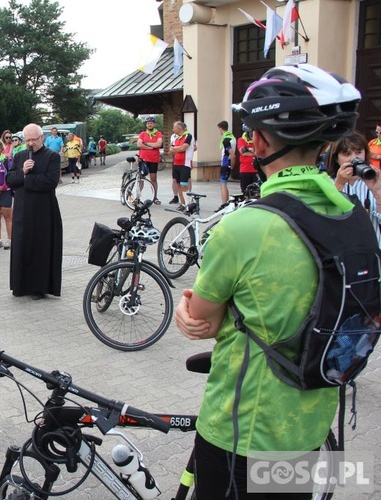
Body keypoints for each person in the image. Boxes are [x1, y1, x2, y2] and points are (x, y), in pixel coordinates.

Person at [174, 64, 362, 499]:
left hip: (240, 430)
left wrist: (191, 315)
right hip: (312, 421)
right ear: (325, 143)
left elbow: (200, 318)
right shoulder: (354, 220)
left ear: (257, 141)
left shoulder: (244, 228)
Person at [5, 123, 63, 300]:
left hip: (43, 210)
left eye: (34, 139)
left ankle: (39, 287)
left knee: (40, 247)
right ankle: (21, 285)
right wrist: (23, 172)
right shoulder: (20, 155)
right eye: (27, 140)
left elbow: (50, 181)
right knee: (22, 245)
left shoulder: (52, 156)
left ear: (41, 138)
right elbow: (10, 178)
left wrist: (26, 180)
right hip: (22, 209)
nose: (31, 143)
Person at [328, 131, 381, 247]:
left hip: (374, 251)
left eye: (358, 152)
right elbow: (325, 220)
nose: (354, 158)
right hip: (343, 253)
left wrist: (377, 194)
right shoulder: (327, 183)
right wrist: (339, 186)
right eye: (347, 154)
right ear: (336, 158)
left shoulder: (376, 180)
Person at [137, 116, 163, 204]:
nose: (149, 124)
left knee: (153, 178)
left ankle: (155, 197)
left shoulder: (158, 133)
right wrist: (152, 147)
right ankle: (138, 197)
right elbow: (139, 145)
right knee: (141, 178)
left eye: (151, 123)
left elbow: (159, 144)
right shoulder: (142, 134)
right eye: (148, 123)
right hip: (143, 159)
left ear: (154, 124)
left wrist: (146, 144)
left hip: (153, 159)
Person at [169, 121, 195, 211]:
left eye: (174, 127)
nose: (173, 129)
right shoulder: (175, 138)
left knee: (184, 185)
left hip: (185, 164)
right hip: (176, 163)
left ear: (179, 128)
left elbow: (184, 148)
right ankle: (182, 203)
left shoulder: (188, 136)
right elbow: (170, 150)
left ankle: (188, 204)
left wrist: (176, 148)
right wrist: (177, 149)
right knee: (179, 185)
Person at [237, 124, 260, 195]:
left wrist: (248, 149)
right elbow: (243, 152)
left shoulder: (256, 139)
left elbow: (259, 150)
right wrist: (253, 151)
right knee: (245, 191)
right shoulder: (241, 140)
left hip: (255, 170)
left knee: (256, 191)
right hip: (245, 170)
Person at [217, 120, 236, 205]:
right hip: (227, 163)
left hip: (225, 163)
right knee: (224, 184)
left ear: (221, 129)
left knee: (223, 185)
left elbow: (232, 155)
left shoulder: (226, 140)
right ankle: (226, 203)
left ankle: (224, 204)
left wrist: (232, 165)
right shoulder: (232, 137)